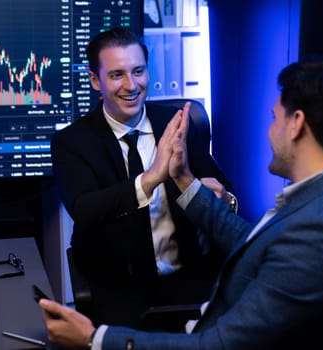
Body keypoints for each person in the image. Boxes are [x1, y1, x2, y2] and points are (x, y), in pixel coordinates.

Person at [40, 58, 323, 349]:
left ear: (296, 123)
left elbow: (217, 345)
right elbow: (252, 242)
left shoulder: (318, 232)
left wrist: (95, 339)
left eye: (274, 118)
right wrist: (185, 180)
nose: (270, 131)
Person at [51, 27, 235, 328]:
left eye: (138, 71)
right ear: (96, 80)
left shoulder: (177, 124)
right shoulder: (72, 142)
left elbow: (225, 191)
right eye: (117, 75)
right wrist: (149, 179)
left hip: (189, 278)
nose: (131, 85)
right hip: (120, 290)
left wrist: (223, 198)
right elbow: (84, 210)